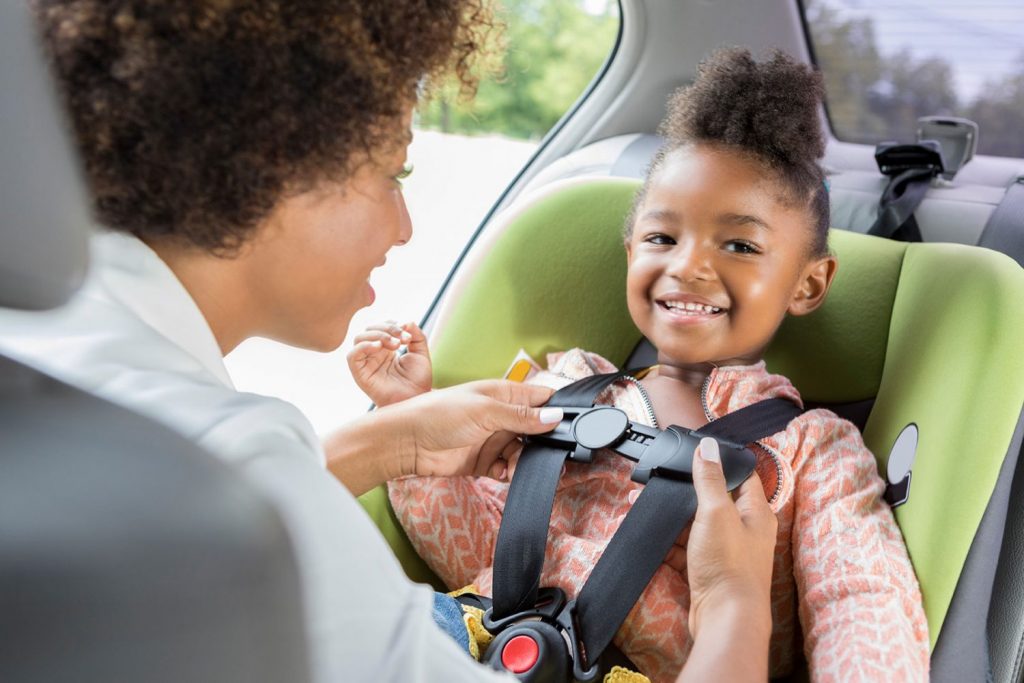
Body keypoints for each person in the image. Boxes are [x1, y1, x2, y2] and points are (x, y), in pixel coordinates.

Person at [0, 3, 780, 682]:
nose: (404, 228)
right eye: (391, 173)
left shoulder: (54, 363)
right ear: (277, 165)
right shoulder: (231, 455)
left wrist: (394, 440)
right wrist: (735, 606)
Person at [356, 49, 930, 682]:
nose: (686, 265)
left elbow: (859, 599)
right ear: (630, 251)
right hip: (471, 637)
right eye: (662, 238)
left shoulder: (811, 451)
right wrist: (406, 414)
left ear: (807, 283)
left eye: (739, 244)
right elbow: (465, 543)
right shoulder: (566, 384)